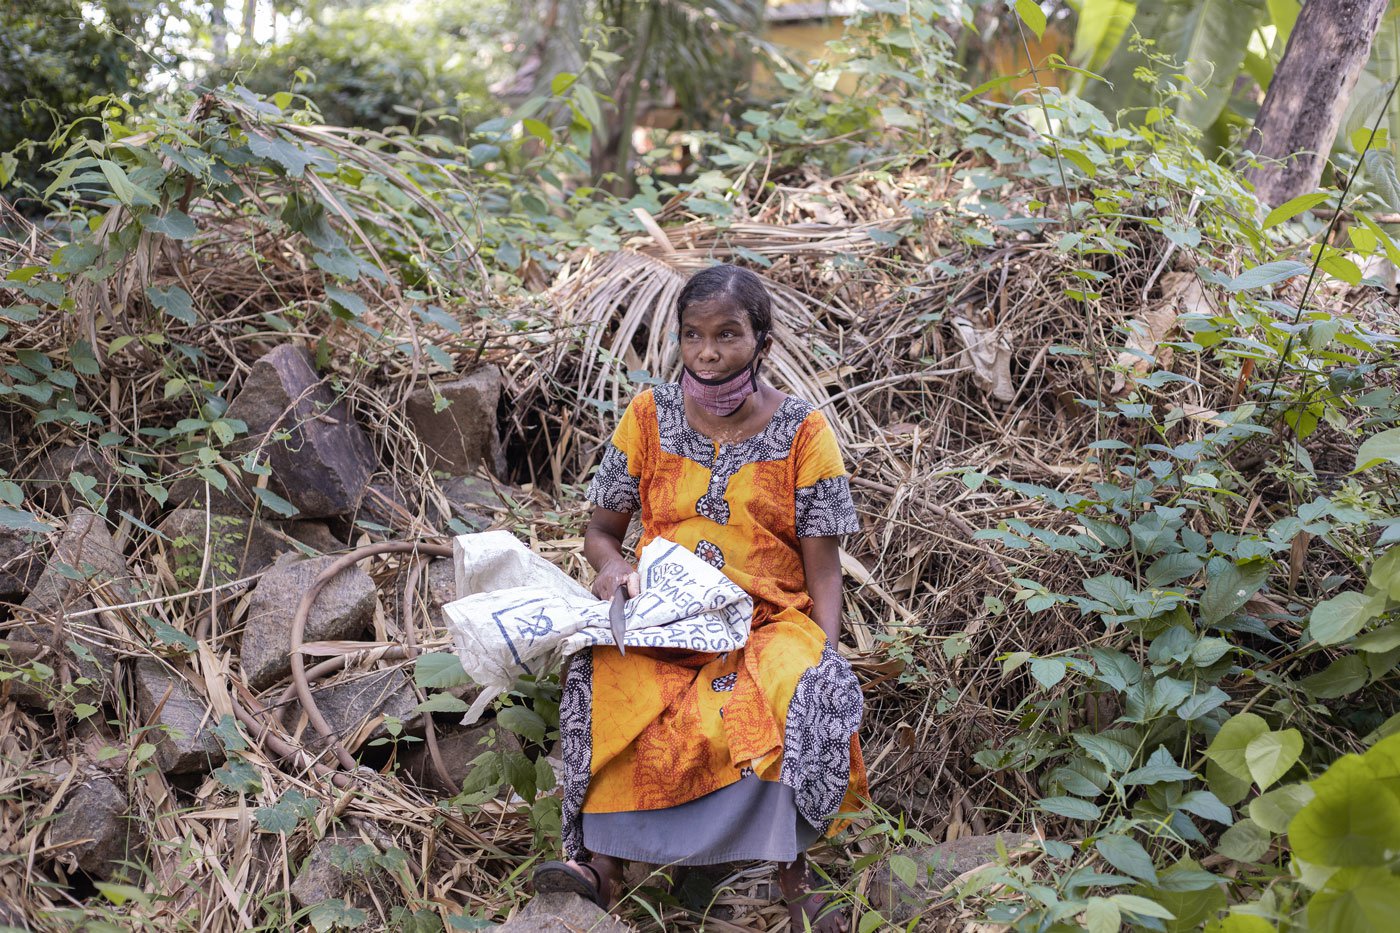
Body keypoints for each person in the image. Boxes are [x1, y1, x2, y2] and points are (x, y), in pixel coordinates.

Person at [531, 263, 867, 932]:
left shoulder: (804, 432)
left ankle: (798, 876)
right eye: (693, 335)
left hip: (768, 622)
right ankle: (599, 865)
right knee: (604, 675)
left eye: (728, 335)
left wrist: (824, 650)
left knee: (795, 688)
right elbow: (601, 530)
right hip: (668, 618)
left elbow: (823, 566)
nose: (709, 352)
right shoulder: (647, 416)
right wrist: (611, 566)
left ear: (762, 344)